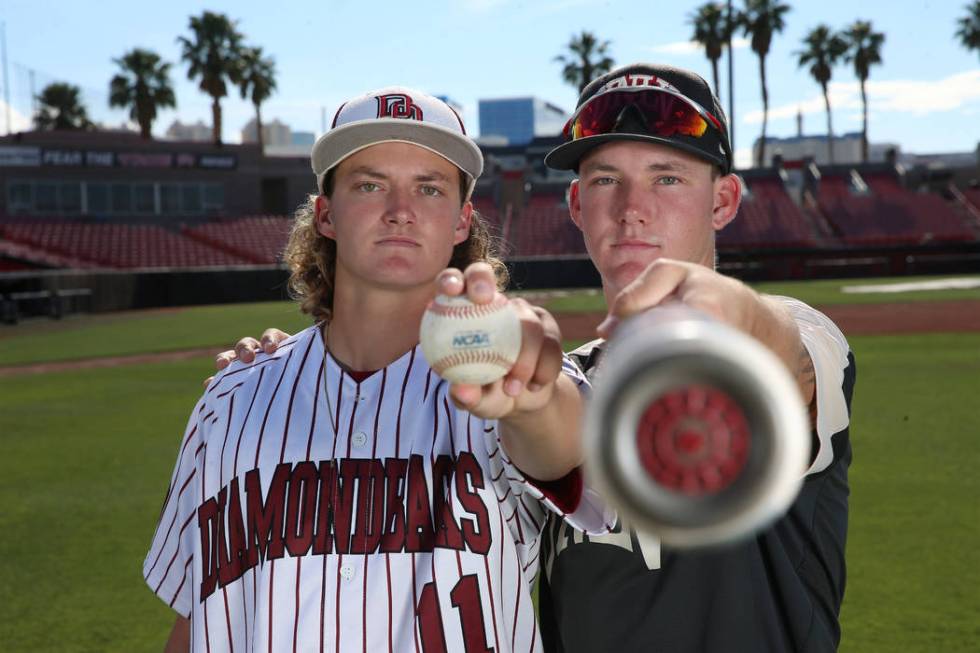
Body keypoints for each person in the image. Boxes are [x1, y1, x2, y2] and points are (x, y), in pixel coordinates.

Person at [220, 64, 855, 653]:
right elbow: (553, 426)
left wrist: (735, 314)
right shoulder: (566, 378)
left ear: (723, 202)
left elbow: (789, 367)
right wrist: (302, 365)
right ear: (577, 207)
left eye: (668, 177)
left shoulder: (798, 332)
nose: (632, 207)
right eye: (605, 179)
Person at [144, 86, 611, 652]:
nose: (400, 210)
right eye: (370, 185)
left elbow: (563, 447)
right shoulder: (229, 401)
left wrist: (532, 397)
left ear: (462, 221)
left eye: (429, 188)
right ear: (326, 215)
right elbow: (198, 614)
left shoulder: (499, 393)